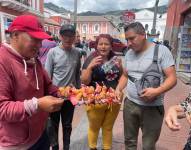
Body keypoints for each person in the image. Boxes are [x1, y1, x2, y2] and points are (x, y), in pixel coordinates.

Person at [0, 15, 65, 150]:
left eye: (40, 40)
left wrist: (69, 94)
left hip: (41, 134)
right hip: (17, 144)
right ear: (15, 35)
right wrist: (37, 104)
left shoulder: (33, 60)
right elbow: (2, 109)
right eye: (35, 39)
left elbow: (48, 86)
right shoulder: (3, 61)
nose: (40, 46)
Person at [115, 22, 177, 150]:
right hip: (130, 105)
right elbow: (126, 76)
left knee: (148, 145)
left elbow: (172, 78)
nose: (129, 43)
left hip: (153, 108)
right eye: (127, 39)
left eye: (132, 38)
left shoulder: (161, 51)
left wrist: (157, 91)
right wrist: (118, 88)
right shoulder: (129, 53)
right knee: (129, 142)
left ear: (143, 34)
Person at [81, 34, 123, 150]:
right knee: (94, 127)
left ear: (111, 46)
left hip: (113, 98)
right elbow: (84, 80)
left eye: (106, 44)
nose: (103, 47)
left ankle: (106, 148)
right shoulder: (91, 58)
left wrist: (120, 69)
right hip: (95, 99)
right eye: (101, 44)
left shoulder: (115, 59)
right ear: (96, 45)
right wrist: (90, 67)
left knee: (108, 127)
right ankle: (92, 148)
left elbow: (122, 76)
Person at [45, 24, 81, 150]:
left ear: (75, 37)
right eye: (65, 36)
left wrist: (78, 92)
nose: (68, 39)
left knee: (67, 125)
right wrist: (48, 96)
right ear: (60, 36)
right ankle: (55, 148)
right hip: (55, 96)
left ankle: (67, 147)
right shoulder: (52, 52)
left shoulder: (77, 53)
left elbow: (77, 74)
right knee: (53, 125)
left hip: (70, 97)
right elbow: (47, 76)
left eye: (71, 36)